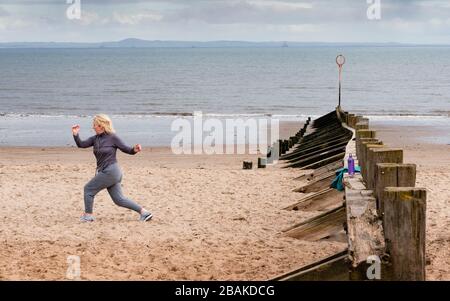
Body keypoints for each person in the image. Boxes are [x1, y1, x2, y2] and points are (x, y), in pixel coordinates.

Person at [71, 114, 152, 222]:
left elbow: (127, 149)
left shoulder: (112, 137)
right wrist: (76, 134)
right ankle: (144, 213)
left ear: (101, 125)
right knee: (119, 200)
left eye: (95, 125)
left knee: (88, 189)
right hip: (109, 172)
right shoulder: (95, 139)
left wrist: (134, 149)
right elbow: (81, 144)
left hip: (111, 171)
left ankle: (88, 216)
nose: (93, 127)